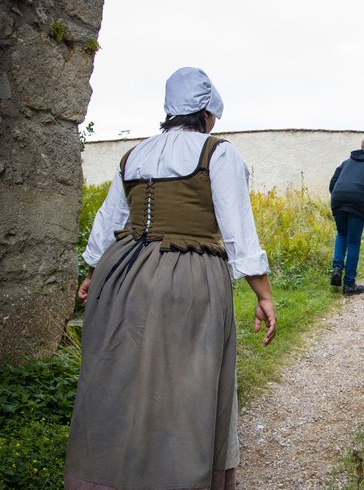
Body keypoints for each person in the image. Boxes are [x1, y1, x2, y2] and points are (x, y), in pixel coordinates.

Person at [65, 67, 277, 490]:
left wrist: (92, 273)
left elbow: (109, 222)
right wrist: (263, 294)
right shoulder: (217, 153)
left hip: (120, 277)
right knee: (185, 385)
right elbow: (239, 230)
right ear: (206, 111)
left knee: (118, 381)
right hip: (188, 277)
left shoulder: (135, 154)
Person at [330, 135, 364, 295]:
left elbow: (333, 183)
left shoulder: (347, 162)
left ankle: (337, 267)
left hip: (338, 199)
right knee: (353, 242)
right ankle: (349, 284)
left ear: (362, 147)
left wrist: (338, 198)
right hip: (358, 201)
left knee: (341, 234)